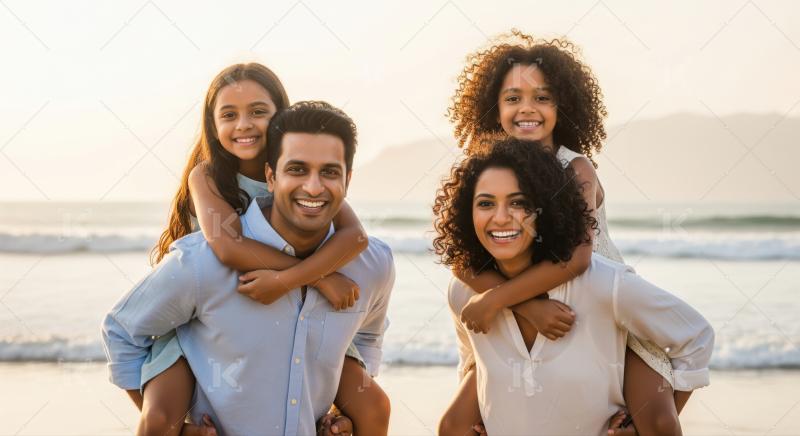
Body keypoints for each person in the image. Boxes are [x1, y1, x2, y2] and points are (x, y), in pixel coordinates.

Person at [441, 30, 690, 435]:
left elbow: (578, 258)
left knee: (658, 421)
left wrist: (500, 299)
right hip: (526, 307)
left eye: (543, 97)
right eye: (512, 98)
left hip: (602, 308)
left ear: (564, 106)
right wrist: (525, 307)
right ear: (493, 107)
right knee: (455, 425)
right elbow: (460, 259)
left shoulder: (576, 169)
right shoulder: (488, 170)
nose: (528, 108)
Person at [102, 101, 395, 436]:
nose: (313, 187)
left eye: (329, 172)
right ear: (270, 176)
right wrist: (173, 428)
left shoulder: (373, 265)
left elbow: (367, 338)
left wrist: (343, 410)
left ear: (348, 179)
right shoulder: (202, 264)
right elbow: (121, 331)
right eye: (297, 169)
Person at [434, 138, 714, 435]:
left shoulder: (604, 284)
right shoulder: (463, 292)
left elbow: (696, 337)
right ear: (468, 212)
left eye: (519, 203)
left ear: (545, 209)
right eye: (486, 203)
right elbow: (472, 363)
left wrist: (643, 423)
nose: (501, 217)